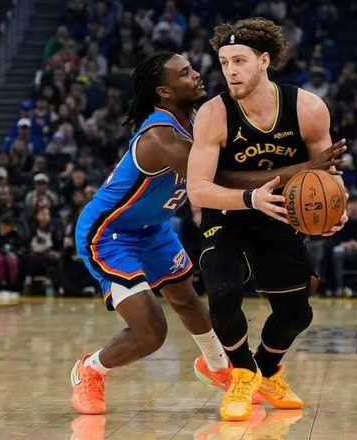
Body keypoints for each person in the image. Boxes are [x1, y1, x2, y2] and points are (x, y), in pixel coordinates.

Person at [186, 18, 347, 421]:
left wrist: (338, 206)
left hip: (279, 213)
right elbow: (198, 189)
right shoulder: (213, 114)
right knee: (223, 296)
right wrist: (250, 198)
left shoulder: (307, 108)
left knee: (297, 314)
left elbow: (327, 173)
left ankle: (267, 370)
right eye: (224, 62)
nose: (231, 71)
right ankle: (242, 374)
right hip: (228, 212)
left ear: (264, 61)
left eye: (239, 61)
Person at [71, 52, 231, 416]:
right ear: (164, 92)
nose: (196, 75)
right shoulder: (160, 137)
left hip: (153, 228)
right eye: (185, 73)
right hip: (109, 233)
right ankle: (89, 370)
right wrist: (294, 173)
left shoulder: (195, 120)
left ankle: (218, 367)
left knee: (186, 298)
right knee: (151, 332)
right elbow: (222, 176)